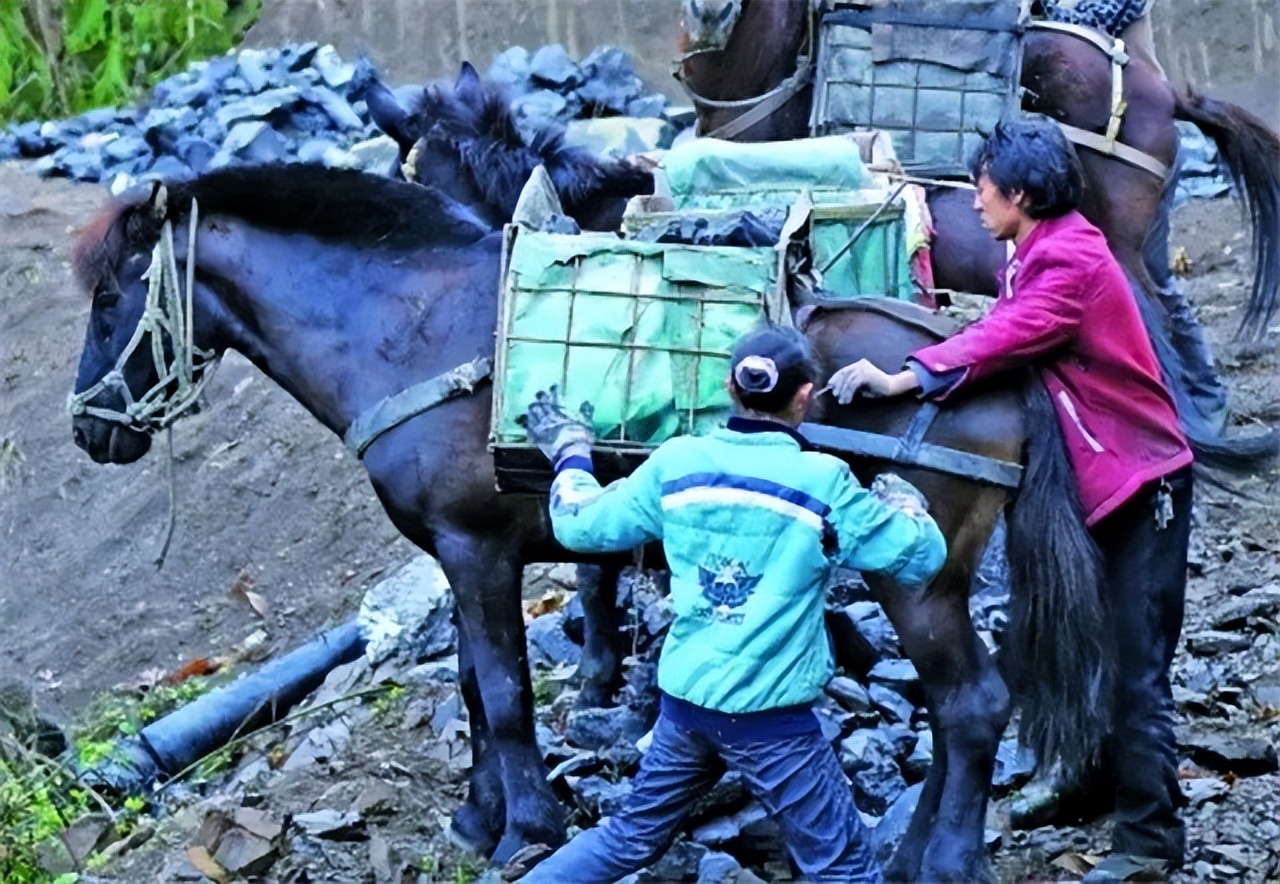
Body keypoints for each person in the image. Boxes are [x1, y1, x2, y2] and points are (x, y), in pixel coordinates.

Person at [826, 118, 1193, 879]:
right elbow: (1007, 323)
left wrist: (905, 375)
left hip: (1139, 482)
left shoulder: (1070, 259)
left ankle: (1149, 843)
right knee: (1052, 638)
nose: (975, 200)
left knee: (1136, 667)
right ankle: (1091, 784)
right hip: (1099, 481)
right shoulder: (1034, 249)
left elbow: (1012, 334)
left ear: (1019, 194)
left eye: (982, 186)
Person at [515, 325, 947, 884]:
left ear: (729, 387)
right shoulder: (821, 482)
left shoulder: (679, 463)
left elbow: (579, 524)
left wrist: (571, 453)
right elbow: (919, 559)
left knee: (629, 839)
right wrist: (905, 502)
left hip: (687, 707)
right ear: (804, 396)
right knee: (842, 868)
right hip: (773, 723)